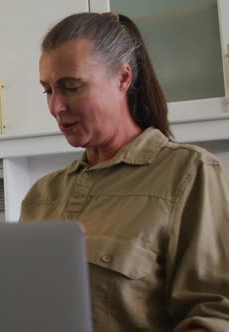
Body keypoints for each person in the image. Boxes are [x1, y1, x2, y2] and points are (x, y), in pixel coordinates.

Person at [20, 12, 229, 332]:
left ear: (123, 78)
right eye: (47, 90)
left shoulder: (189, 174)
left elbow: (216, 316)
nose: (55, 107)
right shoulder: (40, 196)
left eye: (71, 87)